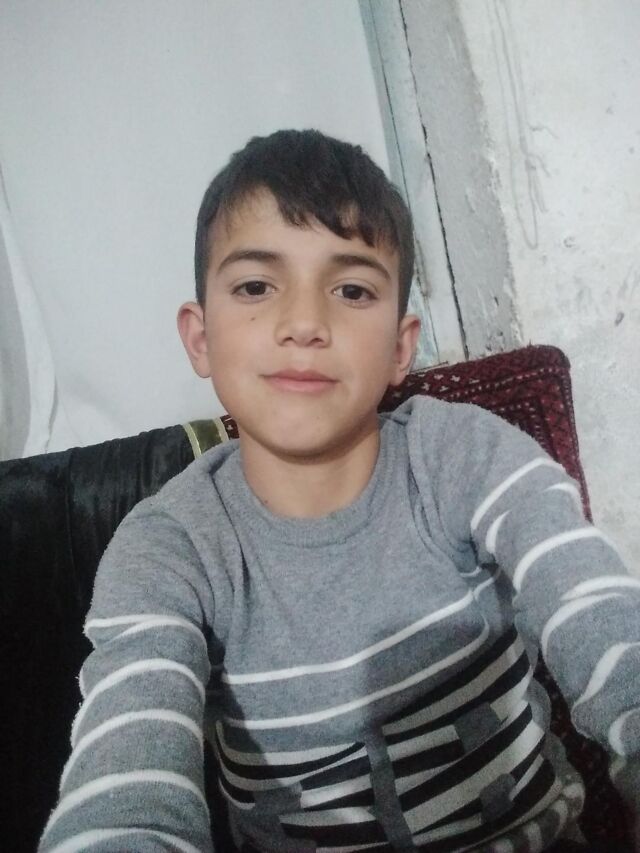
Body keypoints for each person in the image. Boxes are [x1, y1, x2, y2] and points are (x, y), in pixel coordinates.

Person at [39, 129, 639, 853]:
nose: (304, 324)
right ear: (200, 338)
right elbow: (125, 770)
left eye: (351, 290)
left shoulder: (466, 455)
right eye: (256, 286)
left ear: (400, 346)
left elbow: (598, 613)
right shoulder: (167, 548)